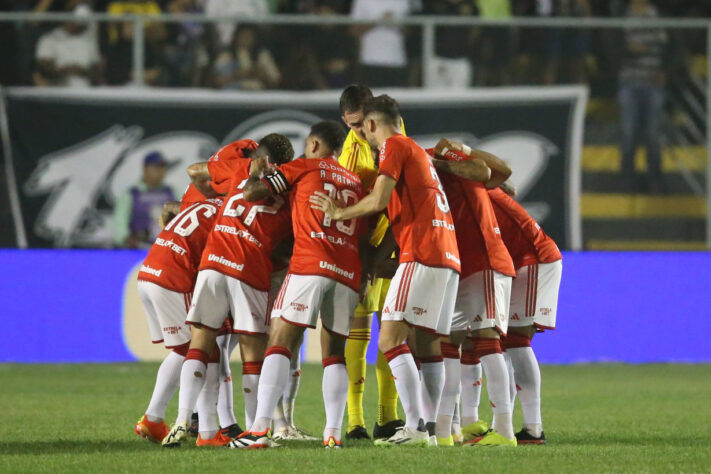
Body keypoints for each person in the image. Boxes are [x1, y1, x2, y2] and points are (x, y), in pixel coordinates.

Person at [310, 96, 460, 447]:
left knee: (391, 339)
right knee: (427, 345)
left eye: (364, 128)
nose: (364, 136)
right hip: (447, 255)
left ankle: (414, 427)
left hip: (421, 253)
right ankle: (432, 431)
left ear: (374, 124)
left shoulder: (394, 145)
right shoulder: (419, 152)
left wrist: (338, 212)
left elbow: (378, 200)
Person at [229, 121, 364, 450]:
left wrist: (257, 173)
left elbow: (252, 193)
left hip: (309, 264)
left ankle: (260, 428)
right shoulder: (357, 182)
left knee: (279, 342)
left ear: (315, 145)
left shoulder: (303, 166)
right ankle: (333, 432)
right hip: (347, 271)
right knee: (334, 354)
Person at [162, 133, 295, 448]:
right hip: (248, 266)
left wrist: (212, 196)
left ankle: (182, 420)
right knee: (253, 352)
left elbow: (197, 172)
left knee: (200, 344)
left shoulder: (239, 169)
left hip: (212, 261)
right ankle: (253, 432)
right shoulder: (289, 191)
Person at [427, 138, 518, 447]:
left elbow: (495, 170)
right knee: (447, 343)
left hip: (486, 259)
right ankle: (445, 431)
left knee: (487, 338)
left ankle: (504, 430)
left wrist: (458, 154)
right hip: (460, 265)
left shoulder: (432, 159)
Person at [337, 84, 404, 441]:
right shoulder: (351, 157)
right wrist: (366, 265)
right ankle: (355, 422)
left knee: (392, 333)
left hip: (390, 247)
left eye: (363, 123)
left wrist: (389, 253)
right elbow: (357, 221)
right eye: (351, 126)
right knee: (360, 338)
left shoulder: (393, 133)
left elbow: (399, 198)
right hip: (362, 249)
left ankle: (388, 418)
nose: (359, 131)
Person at [134, 195, 224, 446]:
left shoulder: (205, 204)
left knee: (184, 349)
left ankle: (153, 419)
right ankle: (207, 433)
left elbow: (170, 209)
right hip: (172, 278)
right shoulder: (232, 213)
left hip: (148, 272)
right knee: (205, 348)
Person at [488, 182, 563, 445]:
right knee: (504, 343)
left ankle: (533, 428)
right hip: (523, 260)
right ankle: (506, 424)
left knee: (516, 339)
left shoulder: (477, 191)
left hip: (535, 258)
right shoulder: (482, 189)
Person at [617, 0, 668, 193]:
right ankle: (627, 181)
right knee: (628, 134)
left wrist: (665, 69)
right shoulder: (623, 13)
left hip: (653, 82)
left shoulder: (656, 13)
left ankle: (655, 179)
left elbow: (666, 42)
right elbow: (621, 44)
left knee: (653, 134)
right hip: (629, 82)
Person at [113, 151, 177, 249]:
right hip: (137, 251)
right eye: (157, 166)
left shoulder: (173, 192)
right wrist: (127, 239)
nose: (162, 171)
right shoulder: (131, 194)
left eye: (163, 167)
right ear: (146, 169)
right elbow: (119, 225)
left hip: (168, 250)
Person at [33, 2, 103, 87]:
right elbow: (45, 70)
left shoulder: (89, 41)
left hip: (86, 93)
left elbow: (97, 70)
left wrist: (82, 71)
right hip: (59, 92)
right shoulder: (49, 39)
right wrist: (67, 70)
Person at [350, 0, 411, 87]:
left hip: (397, 61)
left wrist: (395, 23)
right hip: (370, 61)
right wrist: (379, 21)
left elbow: (410, 30)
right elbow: (354, 30)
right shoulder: (362, 1)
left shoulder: (403, 2)